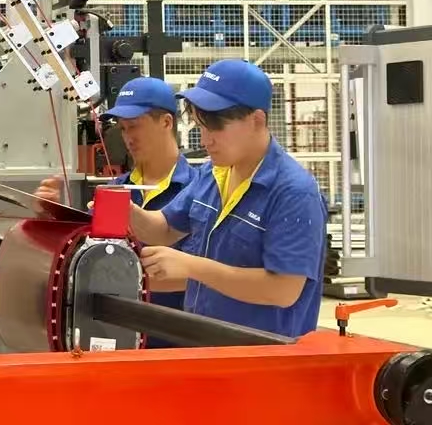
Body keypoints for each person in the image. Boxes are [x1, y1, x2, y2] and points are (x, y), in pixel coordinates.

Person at [130, 59, 326, 338]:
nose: (205, 140)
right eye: (200, 127)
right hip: (205, 344)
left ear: (257, 120)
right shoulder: (213, 173)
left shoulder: (293, 192)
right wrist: (125, 212)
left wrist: (191, 266)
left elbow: (283, 290)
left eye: (215, 128)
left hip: (263, 355)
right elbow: (163, 229)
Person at [33, 77, 196, 346]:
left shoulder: (199, 192)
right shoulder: (114, 191)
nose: (128, 137)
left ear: (167, 122)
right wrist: (52, 219)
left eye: (135, 125)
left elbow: (198, 275)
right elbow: (84, 260)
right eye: (123, 128)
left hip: (176, 344)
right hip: (115, 341)